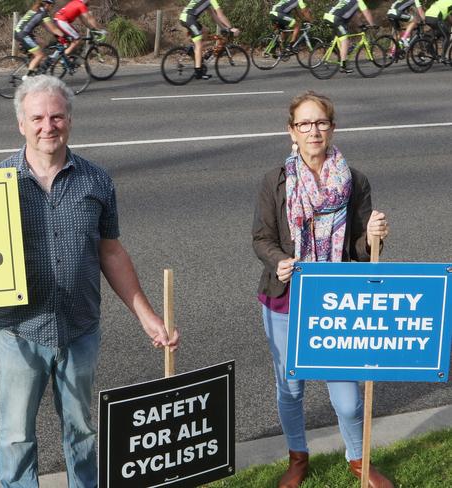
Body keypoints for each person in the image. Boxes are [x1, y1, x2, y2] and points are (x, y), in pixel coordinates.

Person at [0, 75, 180, 488]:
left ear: (70, 121)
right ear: (21, 124)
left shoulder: (95, 180)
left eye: (57, 116)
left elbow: (110, 251)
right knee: (16, 435)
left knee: (82, 430)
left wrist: (147, 316)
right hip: (20, 331)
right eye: (37, 117)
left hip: (80, 329)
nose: (48, 126)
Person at [252, 91, 392, 488]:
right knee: (290, 389)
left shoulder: (354, 181)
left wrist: (374, 236)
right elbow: (261, 237)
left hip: (334, 298)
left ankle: (358, 460)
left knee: (347, 398)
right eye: (304, 124)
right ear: (291, 132)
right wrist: (277, 258)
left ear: (332, 128)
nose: (314, 131)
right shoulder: (275, 181)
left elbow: (362, 252)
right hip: (285, 296)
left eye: (321, 123)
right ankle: (297, 457)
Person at [178, 0, 241, 80]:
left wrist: (223, 28)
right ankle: (198, 72)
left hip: (188, 18)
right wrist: (230, 28)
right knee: (199, 44)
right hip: (189, 19)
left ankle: (194, 51)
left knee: (205, 31)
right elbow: (220, 15)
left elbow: (213, 15)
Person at [14, 0, 66, 78]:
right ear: (47, 5)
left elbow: (47, 27)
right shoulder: (43, 14)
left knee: (43, 43)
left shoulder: (36, 10)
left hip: (21, 32)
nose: (52, 8)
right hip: (23, 34)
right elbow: (54, 29)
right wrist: (64, 36)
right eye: (52, 6)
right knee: (40, 55)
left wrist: (56, 35)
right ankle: (27, 77)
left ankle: (33, 61)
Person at [323, 0, 376, 73]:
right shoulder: (359, 1)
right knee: (345, 40)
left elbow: (354, 16)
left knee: (341, 37)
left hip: (327, 17)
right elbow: (366, 12)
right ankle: (343, 65)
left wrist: (360, 24)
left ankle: (339, 54)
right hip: (336, 19)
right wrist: (372, 24)